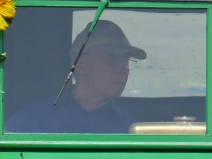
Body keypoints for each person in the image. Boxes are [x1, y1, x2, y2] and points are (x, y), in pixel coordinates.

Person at [9, 20, 145, 134]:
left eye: (126, 61)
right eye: (111, 58)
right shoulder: (32, 119)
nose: (123, 70)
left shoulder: (131, 129)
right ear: (80, 64)